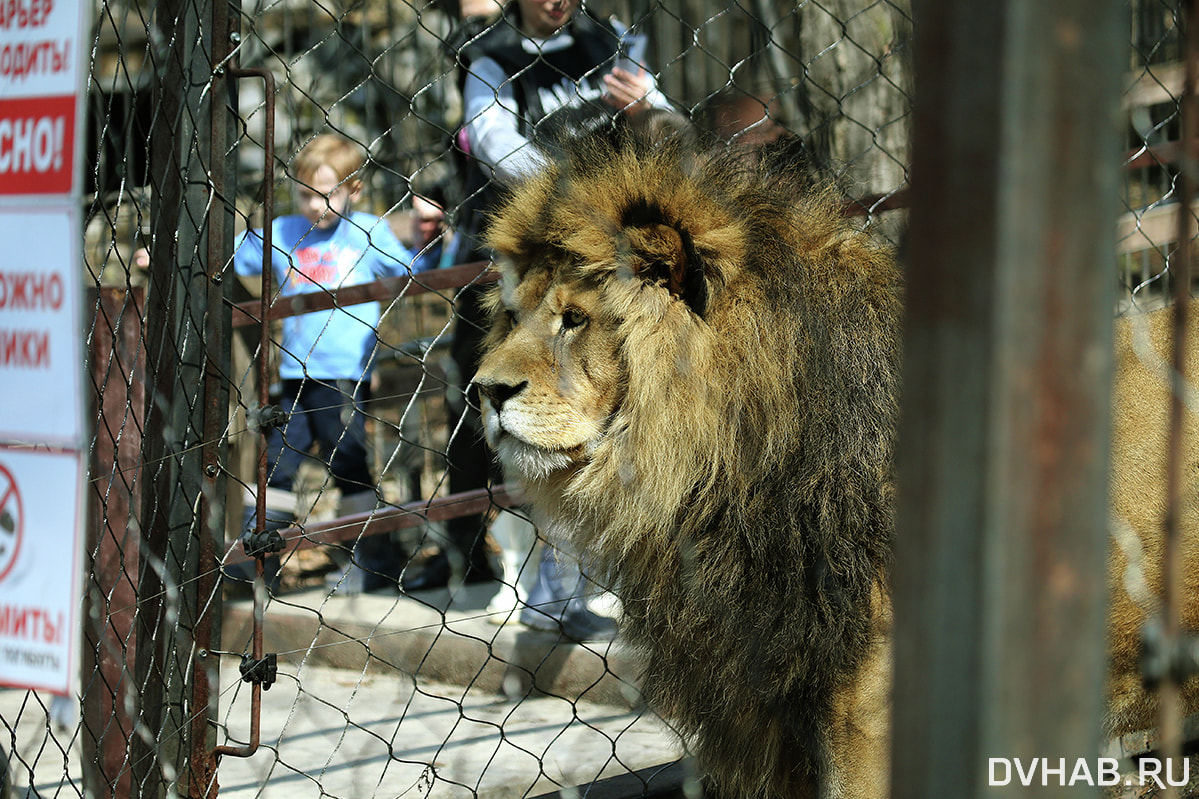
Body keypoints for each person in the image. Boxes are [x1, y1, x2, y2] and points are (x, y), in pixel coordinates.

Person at [401, 0, 673, 641]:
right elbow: (497, 145)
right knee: (497, 413)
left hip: (599, 264)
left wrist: (647, 110)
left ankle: (597, 576)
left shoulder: (608, 42)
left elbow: (665, 124)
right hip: (512, 261)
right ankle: (501, 567)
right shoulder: (492, 59)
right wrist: (578, 190)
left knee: (599, 409)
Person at [233, 132, 425, 594]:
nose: (316, 206)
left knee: (348, 461)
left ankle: (374, 561)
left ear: (353, 190)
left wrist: (424, 237)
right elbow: (232, 252)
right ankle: (254, 563)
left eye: (328, 194)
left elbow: (407, 272)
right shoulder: (282, 231)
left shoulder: (366, 230)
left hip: (342, 372)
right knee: (276, 463)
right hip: (295, 371)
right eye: (305, 195)